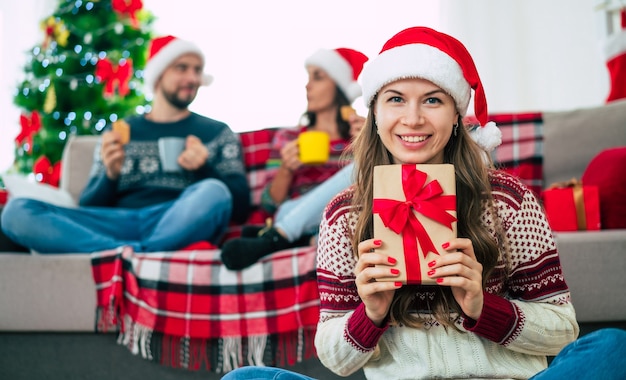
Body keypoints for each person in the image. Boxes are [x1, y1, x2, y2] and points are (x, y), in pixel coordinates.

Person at [221, 26, 626, 379]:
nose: (412, 119)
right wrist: (372, 313)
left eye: (432, 100)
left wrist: (482, 307)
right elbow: (335, 358)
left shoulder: (507, 198)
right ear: (374, 114)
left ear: (455, 115)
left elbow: (563, 327)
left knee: (612, 347)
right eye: (395, 99)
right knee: (246, 379)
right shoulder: (344, 213)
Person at [1, 35, 250, 253]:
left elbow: (238, 207)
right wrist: (110, 174)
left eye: (197, 70)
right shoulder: (119, 132)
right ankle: (133, 253)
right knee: (17, 211)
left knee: (213, 192)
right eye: (182, 68)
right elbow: (88, 206)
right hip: (113, 224)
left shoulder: (216, 132)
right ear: (159, 74)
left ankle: (128, 254)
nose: (193, 78)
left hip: (174, 220)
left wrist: (204, 166)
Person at [220, 47, 368, 270]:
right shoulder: (289, 137)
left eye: (317, 77)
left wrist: (368, 145)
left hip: (343, 219)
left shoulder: (361, 135)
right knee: (293, 213)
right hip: (293, 211)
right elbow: (269, 205)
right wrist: (286, 170)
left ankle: (279, 237)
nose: (307, 85)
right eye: (308, 78)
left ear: (338, 87)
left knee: (363, 168)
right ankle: (287, 233)